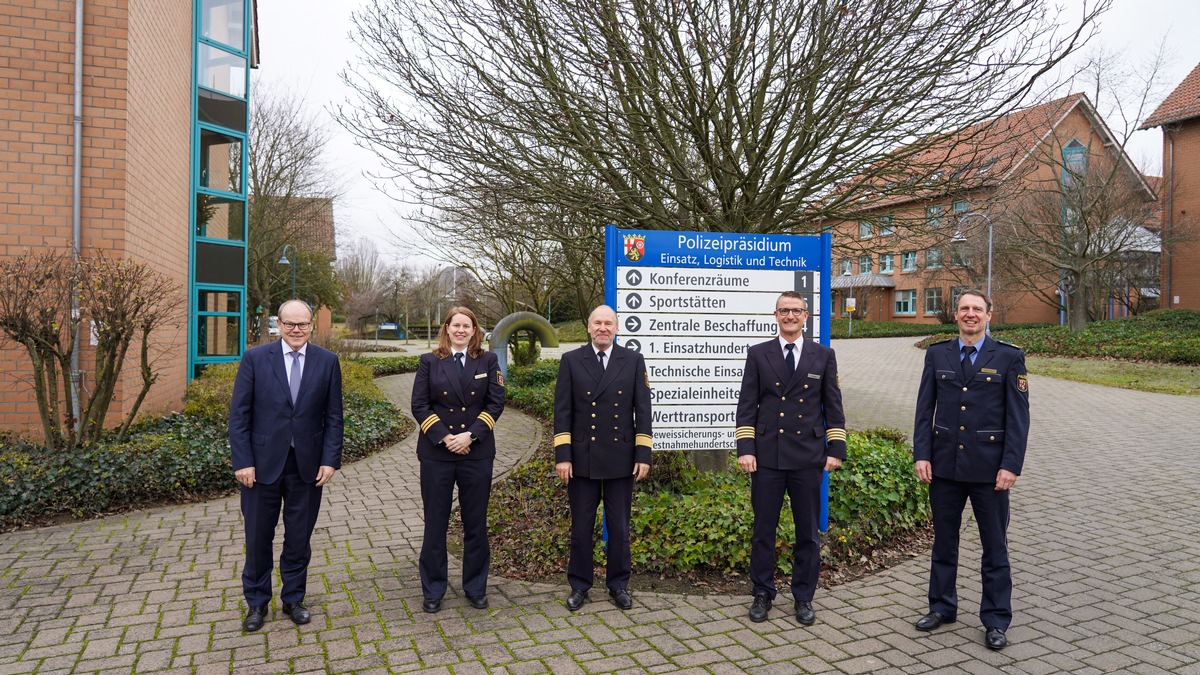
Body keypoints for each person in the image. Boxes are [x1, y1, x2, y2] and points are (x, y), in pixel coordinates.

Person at [912, 289, 1029, 651]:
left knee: (995, 547)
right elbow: (923, 408)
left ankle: (995, 619)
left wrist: (1011, 465)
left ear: (989, 315)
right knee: (944, 543)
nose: (970, 314)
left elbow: (1018, 418)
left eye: (977, 309)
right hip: (944, 467)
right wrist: (922, 454)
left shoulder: (1009, 357)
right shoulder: (937, 353)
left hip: (989, 471)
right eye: (964, 308)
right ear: (956, 314)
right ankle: (942, 607)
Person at [229, 299, 343, 632]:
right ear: (278, 324)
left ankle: (293, 598)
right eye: (290, 324)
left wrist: (330, 459)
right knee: (258, 537)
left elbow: (333, 416)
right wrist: (243, 462)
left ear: (311, 325)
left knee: (298, 538)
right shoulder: (254, 359)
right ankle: (256, 602)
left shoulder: (327, 361)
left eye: (303, 324)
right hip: (260, 468)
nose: (296, 330)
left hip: (307, 467)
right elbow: (240, 416)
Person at [735, 291, 846, 625]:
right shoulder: (758, 354)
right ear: (775, 315)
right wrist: (746, 448)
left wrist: (836, 447)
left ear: (806, 315)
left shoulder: (823, 355)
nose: (790, 316)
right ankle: (762, 593)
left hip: (808, 457)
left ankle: (803, 597)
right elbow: (747, 406)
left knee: (807, 533)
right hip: (767, 457)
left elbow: (833, 404)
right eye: (784, 311)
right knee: (763, 530)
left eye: (796, 311)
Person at [553, 305, 652, 612]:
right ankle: (579, 585)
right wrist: (563, 456)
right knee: (581, 527)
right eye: (597, 322)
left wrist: (643, 453)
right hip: (582, 459)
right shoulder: (571, 360)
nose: (603, 328)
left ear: (617, 328)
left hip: (621, 458)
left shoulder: (633, 360)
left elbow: (643, 411)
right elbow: (563, 411)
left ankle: (618, 584)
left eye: (608, 323)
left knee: (620, 527)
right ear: (588, 327)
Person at [411, 307, 505, 613]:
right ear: (447, 328)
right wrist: (445, 437)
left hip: (476, 452)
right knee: (435, 522)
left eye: (467, 325)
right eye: (456, 325)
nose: (462, 330)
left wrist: (471, 436)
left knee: (475, 521)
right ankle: (433, 589)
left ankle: (475, 586)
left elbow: (496, 402)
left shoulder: (488, 360)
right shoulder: (429, 361)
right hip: (437, 452)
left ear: (475, 330)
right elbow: (419, 404)